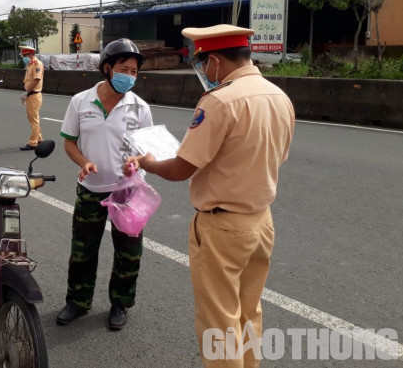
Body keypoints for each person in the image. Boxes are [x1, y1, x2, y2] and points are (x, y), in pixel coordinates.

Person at [124, 24, 295, 367]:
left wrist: (150, 162)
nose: (203, 71)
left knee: (219, 322)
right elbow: (278, 155)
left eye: (202, 63)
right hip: (261, 221)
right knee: (249, 311)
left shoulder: (219, 101)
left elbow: (181, 168)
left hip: (223, 227)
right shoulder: (279, 96)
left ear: (214, 60)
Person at [57, 38, 153, 331]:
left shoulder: (140, 107)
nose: (130, 76)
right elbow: (70, 143)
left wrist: (136, 161)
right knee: (83, 250)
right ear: (107, 68)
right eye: (124, 68)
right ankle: (78, 301)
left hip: (128, 191)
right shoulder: (80, 101)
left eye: (135, 71)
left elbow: (148, 149)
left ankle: (120, 303)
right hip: (91, 190)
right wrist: (83, 162)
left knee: (128, 252)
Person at [19, 45, 44, 151]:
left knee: (33, 119)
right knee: (33, 118)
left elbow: (36, 79)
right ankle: (39, 138)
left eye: (25, 55)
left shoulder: (37, 64)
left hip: (33, 94)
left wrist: (27, 92)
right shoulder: (30, 64)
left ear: (31, 54)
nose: (24, 57)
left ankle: (33, 143)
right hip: (31, 94)